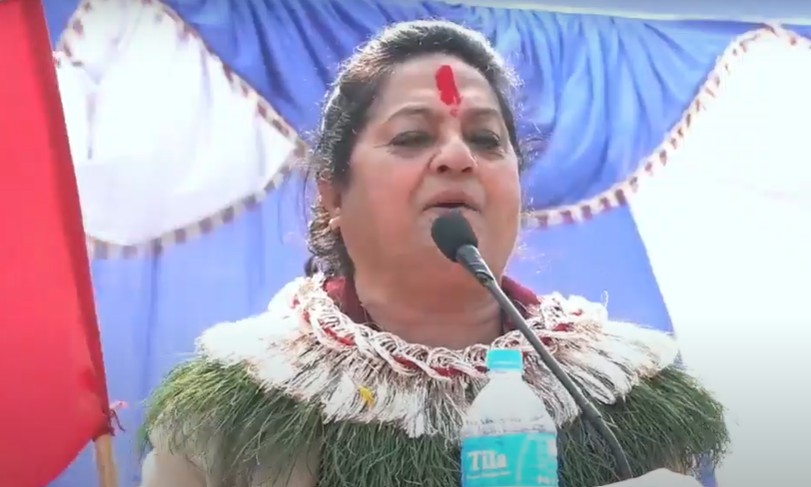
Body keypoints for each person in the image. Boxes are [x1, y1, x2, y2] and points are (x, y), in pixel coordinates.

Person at [139, 20, 728, 487]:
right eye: (413, 137)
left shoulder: (622, 397)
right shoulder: (238, 407)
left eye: (486, 139)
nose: (458, 158)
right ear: (333, 195)